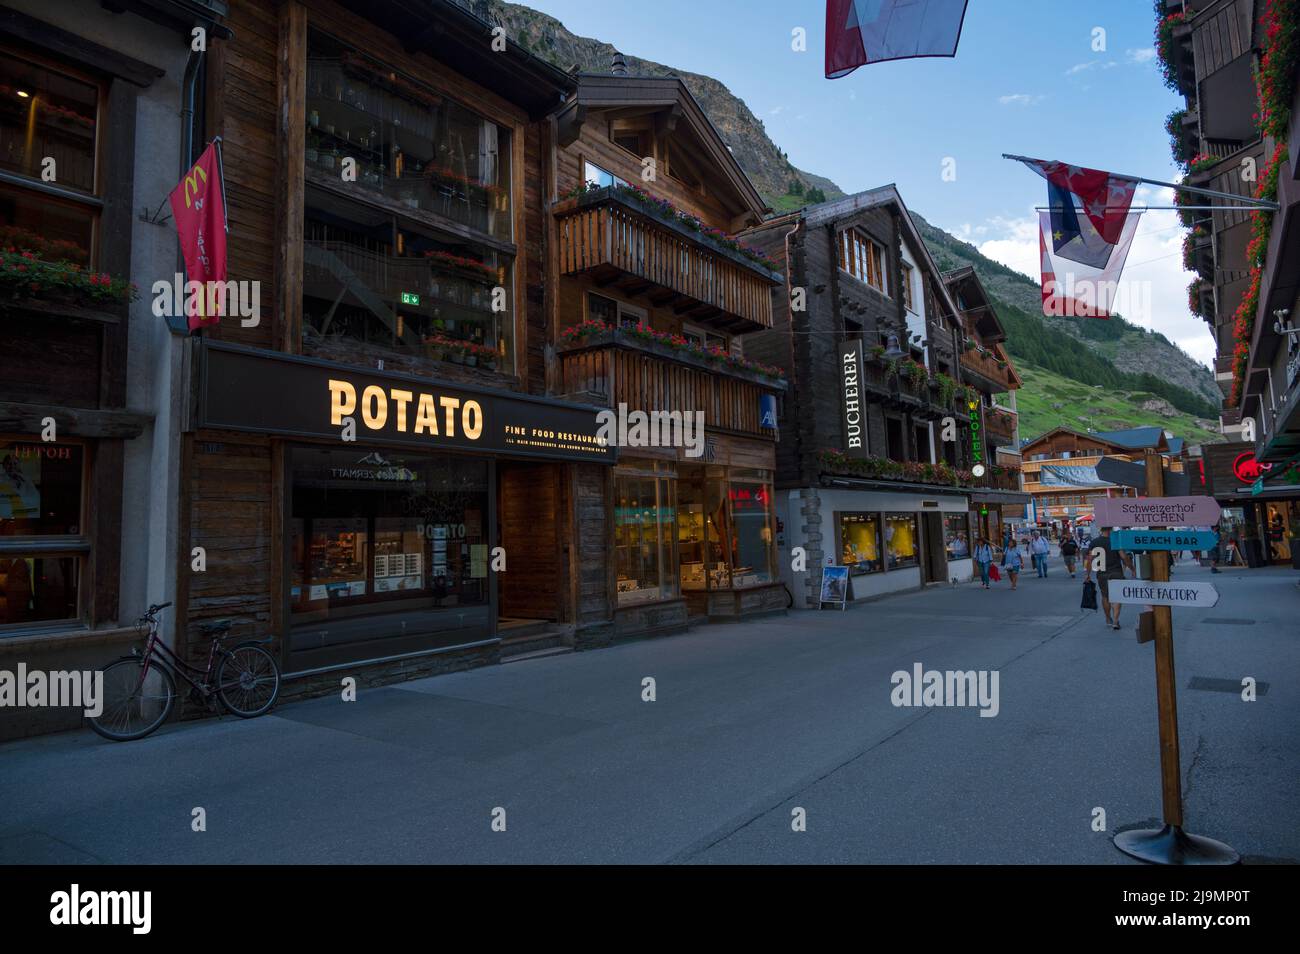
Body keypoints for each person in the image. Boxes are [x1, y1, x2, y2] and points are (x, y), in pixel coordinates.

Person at [1083, 526, 1135, 630]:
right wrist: (1132, 568)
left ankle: (1108, 619)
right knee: (1117, 597)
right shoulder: (1115, 541)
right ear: (1111, 529)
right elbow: (1124, 557)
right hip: (1116, 572)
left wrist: (1087, 574)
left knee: (1105, 596)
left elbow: (1090, 559)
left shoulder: (1094, 542)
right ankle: (1115, 621)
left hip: (1102, 573)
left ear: (1101, 530)